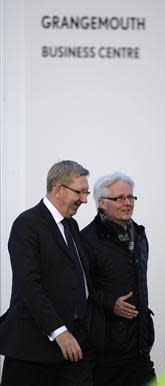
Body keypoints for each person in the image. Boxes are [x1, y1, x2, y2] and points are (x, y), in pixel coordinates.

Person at [0, 160, 95, 386]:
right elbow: (29, 286)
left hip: (73, 346)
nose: (84, 199)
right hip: (31, 349)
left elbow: (79, 279)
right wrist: (59, 332)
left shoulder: (71, 225)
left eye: (87, 193)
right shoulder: (27, 224)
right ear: (59, 189)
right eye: (80, 192)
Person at [81, 172, 157, 386]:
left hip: (140, 347)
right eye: (120, 198)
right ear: (102, 203)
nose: (127, 203)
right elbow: (80, 289)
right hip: (106, 353)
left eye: (130, 197)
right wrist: (109, 303)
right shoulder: (86, 240)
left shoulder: (139, 235)